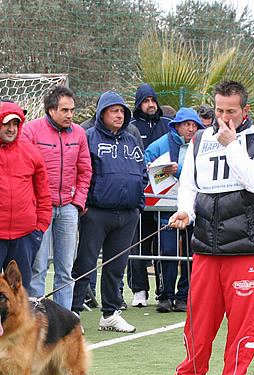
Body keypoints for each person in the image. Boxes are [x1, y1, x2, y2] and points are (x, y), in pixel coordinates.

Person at [161, 80, 254, 375]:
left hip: (246, 245)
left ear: (245, 111)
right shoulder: (199, 139)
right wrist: (184, 211)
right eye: (219, 110)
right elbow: (189, 184)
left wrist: (231, 145)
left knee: (242, 319)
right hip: (206, 244)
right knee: (200, 316)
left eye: (231, 112)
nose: (223, 118)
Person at [0, 101, 52, 350]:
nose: (12, 128)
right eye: (7, 123)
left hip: (25, 234)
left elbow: (43, 191)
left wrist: (40, 227)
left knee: (17, 287)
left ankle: (16, 332)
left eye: (16, 123)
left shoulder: (30, 151)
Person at [70, 91, 147, 333]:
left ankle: (110, 313)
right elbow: (80, 172)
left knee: (116, 265)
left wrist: (138, 205)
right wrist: (84, 206)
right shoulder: (88, 137)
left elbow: (142, 173)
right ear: (102, 113)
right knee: (86, 263)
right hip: (96, 212)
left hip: (127, 214)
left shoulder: (132, 140)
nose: (119, 115)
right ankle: (72, 312)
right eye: (114, 110)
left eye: (122, 111)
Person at [23, 86, 92, 311]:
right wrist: (33, 203)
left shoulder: (79, 133)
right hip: (40, 210)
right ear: (51, 110)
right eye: (65, 110)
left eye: (72, 110)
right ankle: (36, 318)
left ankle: (65, 318)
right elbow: (24, 170)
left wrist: (79, 201)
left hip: (69, 208)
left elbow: (85, 170)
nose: (70, 115)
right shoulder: (30, 131)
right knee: (38, 267)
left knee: (65, 268)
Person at [143, 107, 203, 313]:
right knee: (167, 252)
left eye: (195, 125)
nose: (191, 129)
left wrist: (180, 170)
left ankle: (184, 296)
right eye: (187, 124)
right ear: (176, 126)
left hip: (193, 211)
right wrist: (150, 166)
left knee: (190, 253)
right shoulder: (159, 145)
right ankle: (164, 295)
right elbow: (144, 164)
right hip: (164, 211)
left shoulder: (201, 146)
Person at [128, 84, 173, 308]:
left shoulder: (167, 125)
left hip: (167, 197)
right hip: (141, 195)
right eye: (145, 101)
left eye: (153, 100)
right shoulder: (131, 126)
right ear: (138, 104)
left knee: (165, 246)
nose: (151, 105)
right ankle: (139, 290)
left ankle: (164, 292)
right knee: (138, 245)